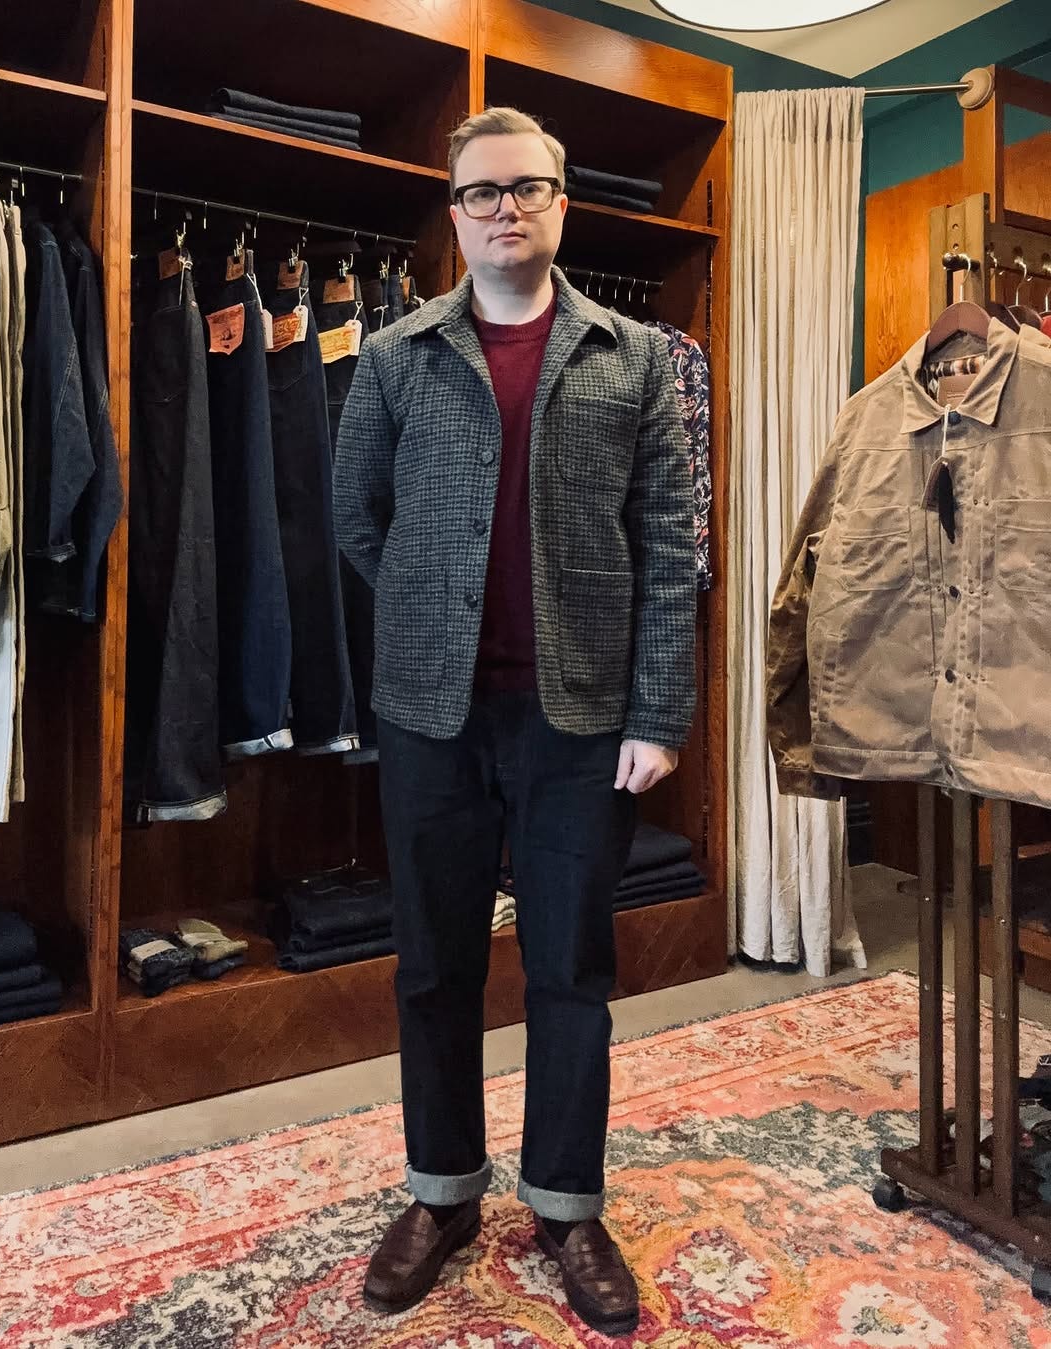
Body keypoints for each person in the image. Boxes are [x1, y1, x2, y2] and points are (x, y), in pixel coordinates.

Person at [333, 106, 697, 1338]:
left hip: (581, 717)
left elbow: (669, 548)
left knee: (571, 968)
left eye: (525, 188)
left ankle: (564, 1202)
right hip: (433, 714)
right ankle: (440, 1192)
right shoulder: (394, 355)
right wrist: (434, 606)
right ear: (454, 213)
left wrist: (659, 710)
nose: (503, 209)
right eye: (480, 192)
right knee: (432, 961)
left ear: (560, 203)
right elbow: (353, 514)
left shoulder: (639, 357)